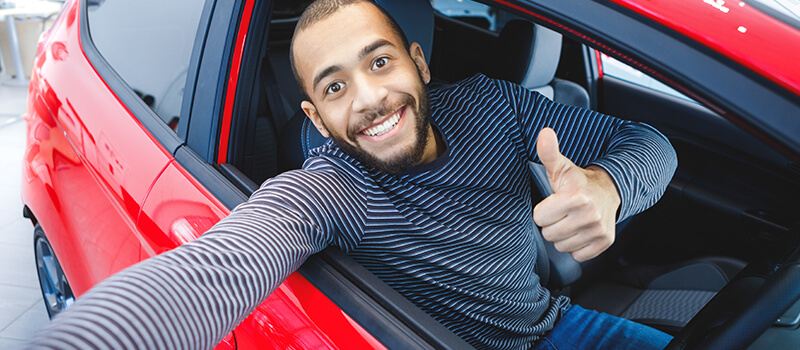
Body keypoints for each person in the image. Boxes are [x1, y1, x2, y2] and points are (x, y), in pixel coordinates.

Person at [28, 0, 677, 349]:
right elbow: (213, 271)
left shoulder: (494, 105)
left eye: (380, 63)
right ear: (314, 114)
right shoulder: (329, 189)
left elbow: (648, 141)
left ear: (419, 63)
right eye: (336, 86)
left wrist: (610, 186)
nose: (367, 99)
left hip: (562, 327)